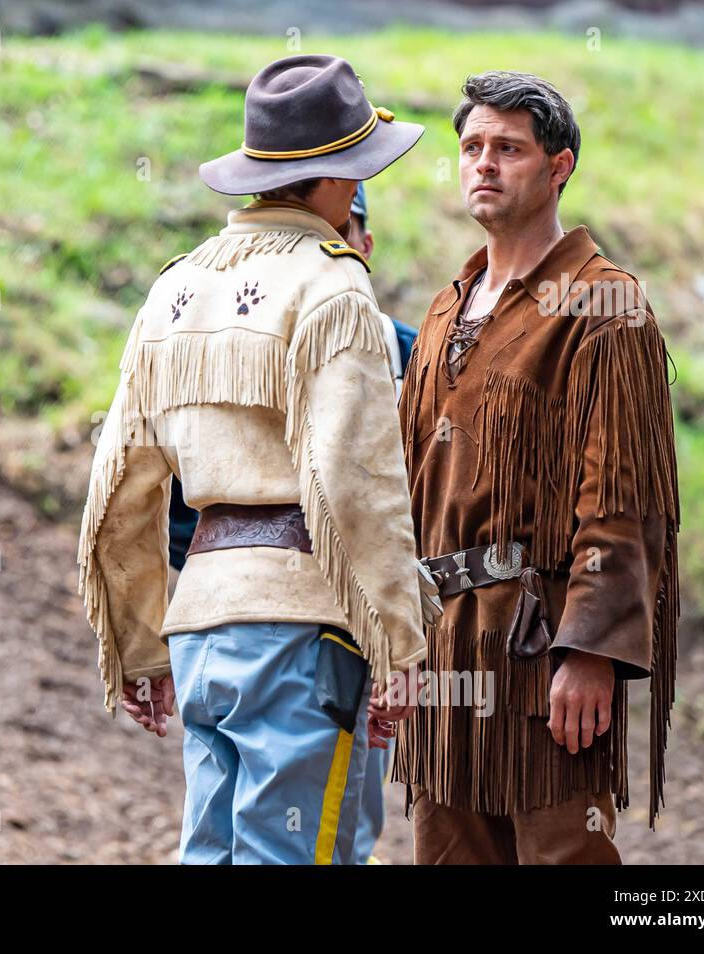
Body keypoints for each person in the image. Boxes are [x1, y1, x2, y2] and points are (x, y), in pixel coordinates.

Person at [77, 55, 440, 864]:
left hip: (202, 628)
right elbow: (356, 486)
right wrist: (400, 646)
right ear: (336, 179)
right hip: (304, 634)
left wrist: (139, 646)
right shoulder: (336, 288)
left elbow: (120, 488)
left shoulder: (173, 291)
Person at [392, 72, 679, 864]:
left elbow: (623, 494)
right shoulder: (449, 305)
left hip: (538, 646)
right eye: (471, 147)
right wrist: (396, 639)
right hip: (445, 649)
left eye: (508, 149)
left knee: (563, 858)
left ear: (559, 167)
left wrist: (589, 648)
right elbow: (409, 489)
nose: (483, 164)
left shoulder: (603, 304)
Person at [342, 180, 419, 864]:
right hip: (281, 615)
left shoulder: (412, 359)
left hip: (380, 619)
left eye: (348, 231)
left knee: (343, 823)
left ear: (366, 245)